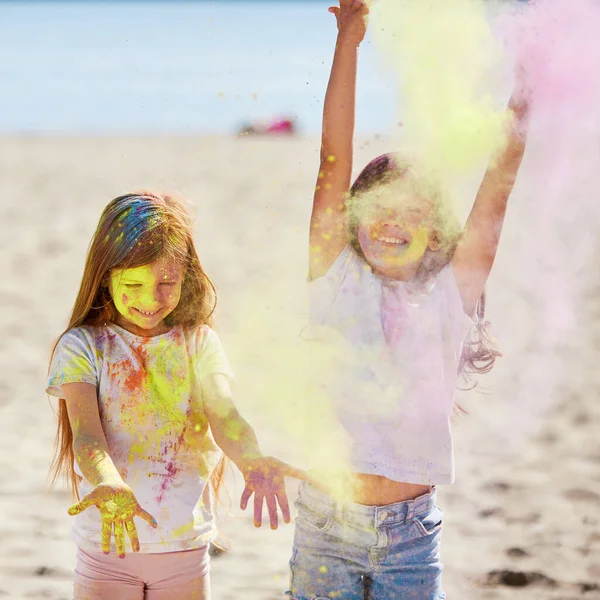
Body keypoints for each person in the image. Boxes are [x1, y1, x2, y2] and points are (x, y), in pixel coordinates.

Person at [287, 1, 529, 599]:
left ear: (438, 231)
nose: (393, 224)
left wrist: (527, 87)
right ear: (352, 219)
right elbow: (332, 161)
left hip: (411, 539)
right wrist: (350, 39)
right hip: (324, 527)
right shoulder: (335, 277)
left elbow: (500, 181)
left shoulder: (449, 293)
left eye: (413, 214)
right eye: (380, 211)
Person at [47, 191, 307, 600]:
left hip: (185, 549)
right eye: (133, 284)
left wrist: (250, 457)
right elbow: (87, 436)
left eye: (165, 283)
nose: (150, 300)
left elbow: (226, 417)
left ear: (185, 276)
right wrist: (109, 483)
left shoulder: (199, 343)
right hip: (107, 548)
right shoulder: (83, 346)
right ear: (104, 278)